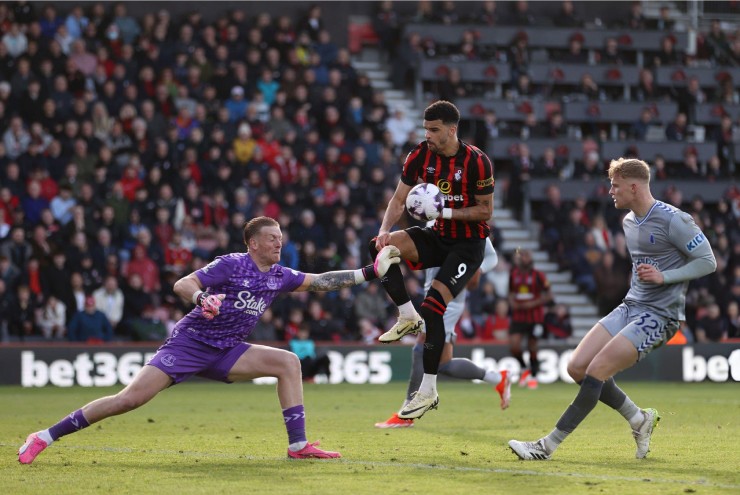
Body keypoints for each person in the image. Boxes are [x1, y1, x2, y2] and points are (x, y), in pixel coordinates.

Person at [18, 216, 402, 464]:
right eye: (271, 238)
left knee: (289, 362)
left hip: (228, 351)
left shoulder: (279, 275)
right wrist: (202, 298)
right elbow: (182, 283)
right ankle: (45, 435)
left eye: (280, 238)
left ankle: (298, 445)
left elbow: (320, 282)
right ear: (252, 242)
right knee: (128, 400)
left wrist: (370, 271)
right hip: (189, 345)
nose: (277, 244)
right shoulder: (231, 263)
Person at [509, 158, 716, 461]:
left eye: (615, 185)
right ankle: (639, 419)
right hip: (630, 306)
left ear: (634, 187)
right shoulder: (629, 222)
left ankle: (545, 446)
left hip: (660, 316)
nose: (610, 191)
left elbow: (708, 260)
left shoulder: (675, 220)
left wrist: (665, 277)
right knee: (576, 368)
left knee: (597, 370)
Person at [369, 100, 494, 420]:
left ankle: (427, 390)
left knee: (434, 307)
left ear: (452, 130)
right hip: (437, 236)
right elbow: (399, 199)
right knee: (379, 248)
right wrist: (385, 229)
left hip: (468, 245)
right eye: (425, 128)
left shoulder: (478, 162)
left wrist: (444, 211)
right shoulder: (418, 155)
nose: (427, 135)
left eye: (434, 130)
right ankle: (405, 315)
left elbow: (485, 211)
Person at [374, 234, 511, 428]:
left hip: (450, 295)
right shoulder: (432, 224)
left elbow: (491, 257)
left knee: (421, 347)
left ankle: (407, 413)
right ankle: (497, 378)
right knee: (443, 363)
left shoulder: (466, 228)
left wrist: (475, 269)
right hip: (433, 292)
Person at [508, 248, 552, 389]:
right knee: (514, 346)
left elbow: (549, 295)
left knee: (532, 346)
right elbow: (510, 293)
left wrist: (533, 303)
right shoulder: (513, 275)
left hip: (535, 317)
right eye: (522, 256)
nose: (524, 258)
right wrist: (512, 303)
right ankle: (523, 368)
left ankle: (533, 375)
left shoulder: (539, 276)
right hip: (518, 316)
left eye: (526, 255)